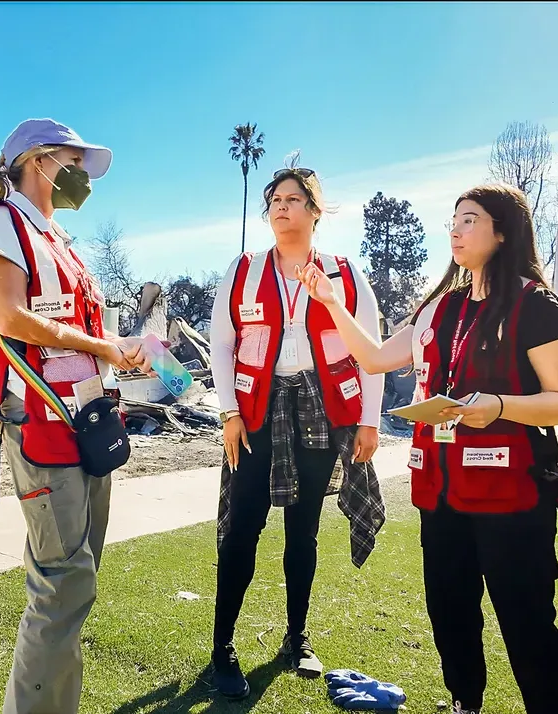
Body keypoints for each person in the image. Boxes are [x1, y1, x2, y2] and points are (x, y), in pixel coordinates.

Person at [296, 183, 558, 714]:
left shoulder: (535, 304)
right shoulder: (440, 307)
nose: (455, 229)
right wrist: (331, 302)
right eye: (453, 219)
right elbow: (378, 357)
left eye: (470, 220)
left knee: (528, 629)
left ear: (502, 231)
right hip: (442, 496)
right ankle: (464, 703)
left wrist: (498, 406)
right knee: (450, 615)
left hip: (511, 499)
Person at [0, 118, 156, 714]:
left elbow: (73, 331)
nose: (79, 175)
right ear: (40, 160)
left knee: (75, 579)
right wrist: (102, 349)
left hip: (83, 422)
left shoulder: (59, 239)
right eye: (71, 161)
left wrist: (117, 352)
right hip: (43, 423)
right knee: (62, 584)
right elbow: (10, 318)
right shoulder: (6, 222)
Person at [207, 164, 387, 700]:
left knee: (303, 529)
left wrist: (370, 421)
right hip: (257, 413)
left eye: (292, 199)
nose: (281, 207)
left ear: (314, 211)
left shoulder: (344, 273)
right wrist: (228, 413)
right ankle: (222, 648)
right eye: (274, 200)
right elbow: (221, 345)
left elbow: (369, 347)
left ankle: (296, 637)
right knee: (242, 528)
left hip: (320, 410)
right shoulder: (243, 271)